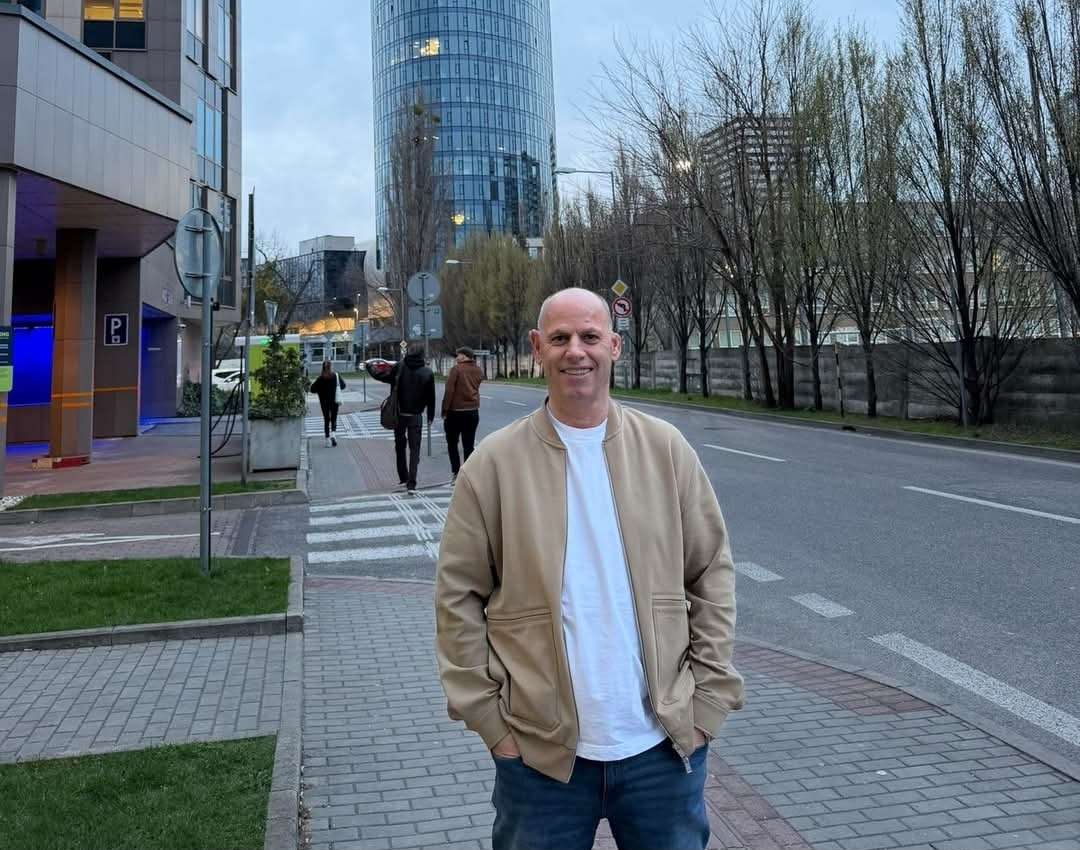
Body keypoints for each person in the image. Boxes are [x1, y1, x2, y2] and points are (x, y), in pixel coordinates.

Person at [435, 288, 743, 850]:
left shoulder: (665, 449)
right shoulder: (493, 466)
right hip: (539, 759)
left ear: (614, 346)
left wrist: (706, 705)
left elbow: (711, 574)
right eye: (560, 338)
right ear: (537, 348)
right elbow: (458, 596)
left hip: (662, 751)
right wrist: (492, 724)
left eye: (590, 336)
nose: (575, 351)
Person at [372, 346, 435, 491]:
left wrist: (371, 369)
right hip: (416, 416)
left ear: (408, 353)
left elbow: (385, 377)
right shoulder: (427, 372)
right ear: (422, 355)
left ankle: (403, 477)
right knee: (415, 449)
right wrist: (430, 415)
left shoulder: (399, 367)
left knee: (400, 446)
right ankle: (411, 483)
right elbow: (431, 397)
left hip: (399, 414)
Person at [441, 347, 484, 484]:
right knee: (469, 445)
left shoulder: (456, 370)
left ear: (465, 356)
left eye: (458, 355)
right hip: (472, 412)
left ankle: (456, 473)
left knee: (452, 444)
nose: (456, 357)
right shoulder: (478, 370)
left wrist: (444, 410)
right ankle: (469, 475)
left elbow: (449, 391)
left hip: (455, 412)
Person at [309, 359, 345, 447]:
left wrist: (319, 390)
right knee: (334, 418)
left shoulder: (320, 378)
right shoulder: (336, 376)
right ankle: (333, 434)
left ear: (322, 367)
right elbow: (343, 386)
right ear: (331, 367)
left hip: (324, 402)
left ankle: (327, 440)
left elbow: (312, 389)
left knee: (326, 419)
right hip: (334, 401)